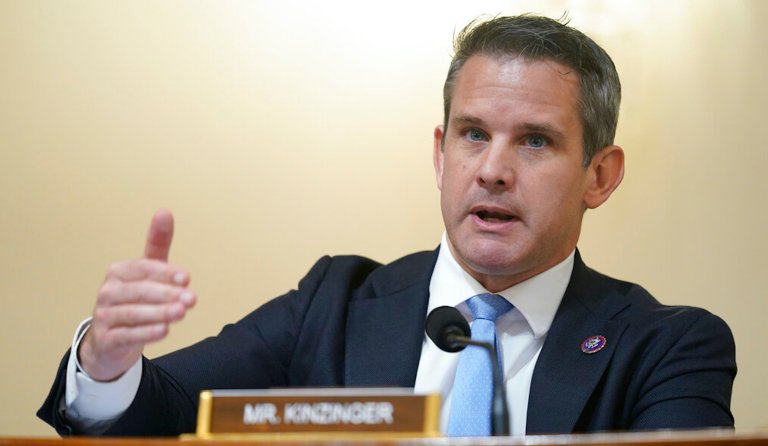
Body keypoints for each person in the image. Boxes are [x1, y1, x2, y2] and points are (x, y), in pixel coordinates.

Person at [38, 15, 736, 437]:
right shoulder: (333, 304)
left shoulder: (667, 347)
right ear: (440, 153)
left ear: (600, 175)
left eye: (534, 141)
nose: (492, 170)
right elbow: (161, 413)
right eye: (472, 134)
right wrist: (104, 362)